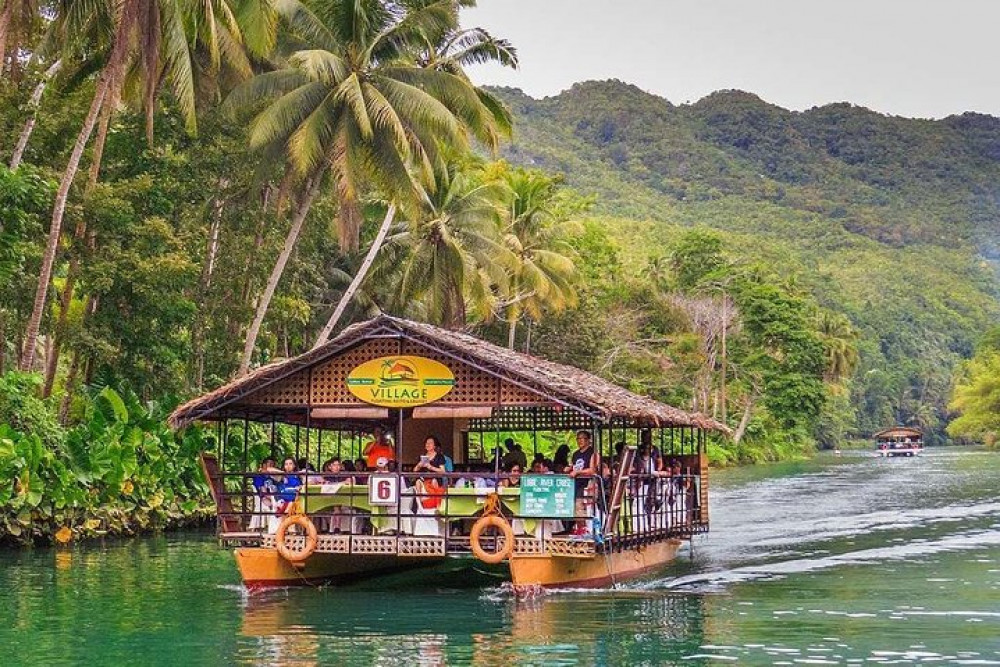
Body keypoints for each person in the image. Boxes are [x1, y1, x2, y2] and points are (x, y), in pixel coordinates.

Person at [565, 430, 599, 535]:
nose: (580, 441)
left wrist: (578, 472)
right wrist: (569, 468)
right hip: (576, 483)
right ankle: (580, 529)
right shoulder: (575, 454)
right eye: (578, 438)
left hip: (588, 483)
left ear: (588, 440)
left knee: (581, 506)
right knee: (575, 507)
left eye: (583, 438)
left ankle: (585, 530)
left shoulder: (593, 453)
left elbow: (592, 470)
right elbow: (575, 466)